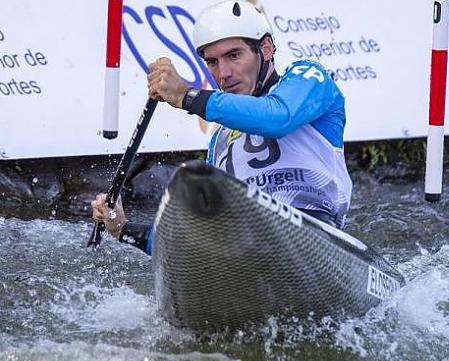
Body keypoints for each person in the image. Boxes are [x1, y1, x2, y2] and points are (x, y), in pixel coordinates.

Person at [92, 0, 352, 253]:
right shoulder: (220, 142)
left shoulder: (306, 79)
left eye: (234, 55)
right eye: (212, 62)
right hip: (245, 249)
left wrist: (186, 96)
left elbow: (277, 118)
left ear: (267, 48)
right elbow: (195, 238)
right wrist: (122, 228)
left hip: (316, 238)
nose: (223, 73)